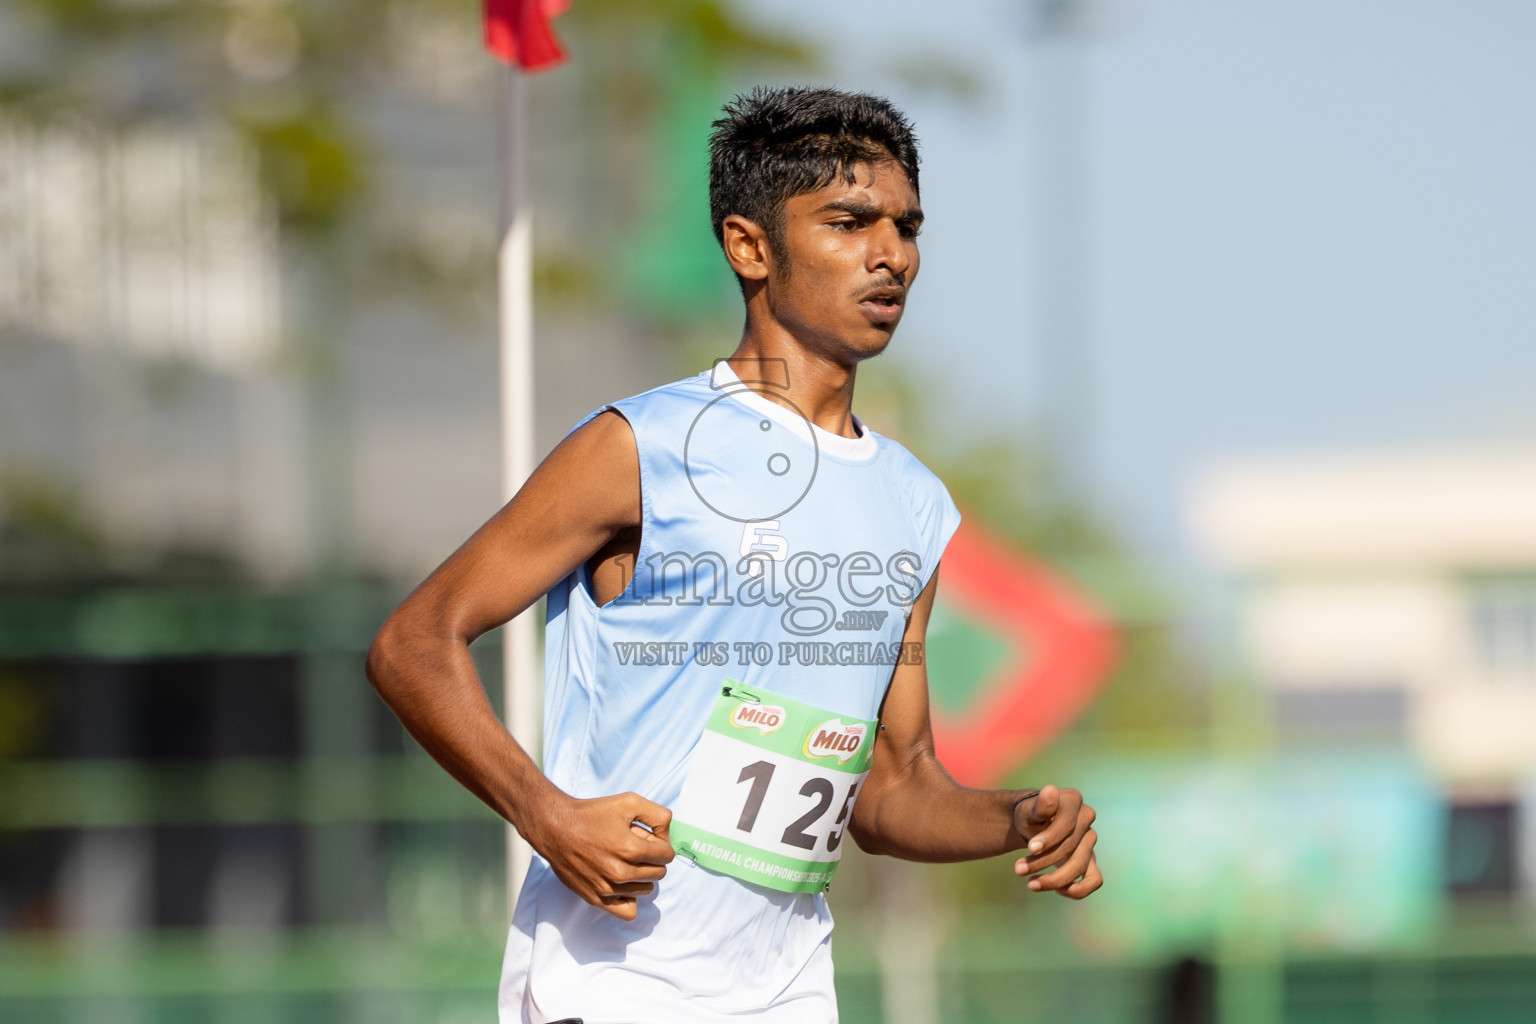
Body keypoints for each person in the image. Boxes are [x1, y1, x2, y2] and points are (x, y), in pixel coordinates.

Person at [366, 85, 1101, 1024]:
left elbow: (893, 788)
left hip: (790, 993)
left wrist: (1016, 818)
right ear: (751, 247)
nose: (891, 256)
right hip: (612, 984)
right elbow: (413, 642)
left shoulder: (915, 505)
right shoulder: (640, 447)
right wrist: (544, 813)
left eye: (907, 227)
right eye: (849, 223)